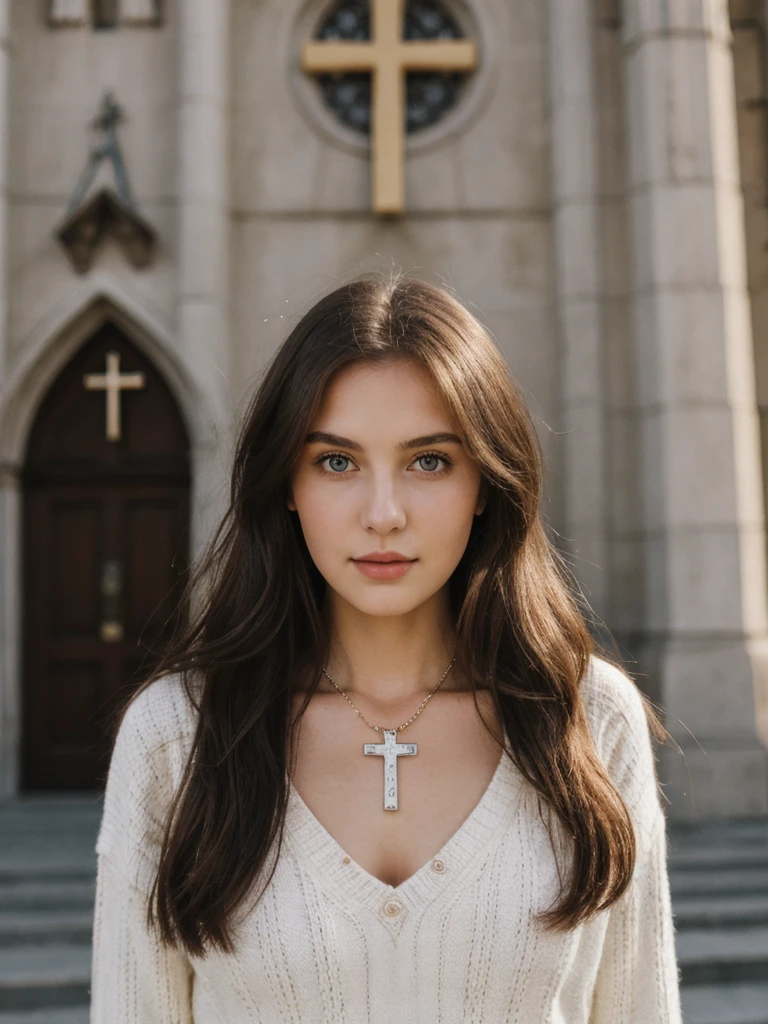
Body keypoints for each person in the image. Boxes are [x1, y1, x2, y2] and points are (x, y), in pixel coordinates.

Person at [89, 272, 683, 1022]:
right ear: (287, 486)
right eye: (336, 462)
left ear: (485, 484)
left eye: (428, 460)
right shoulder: (178, 734)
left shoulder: (591, 721)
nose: (383, 514)